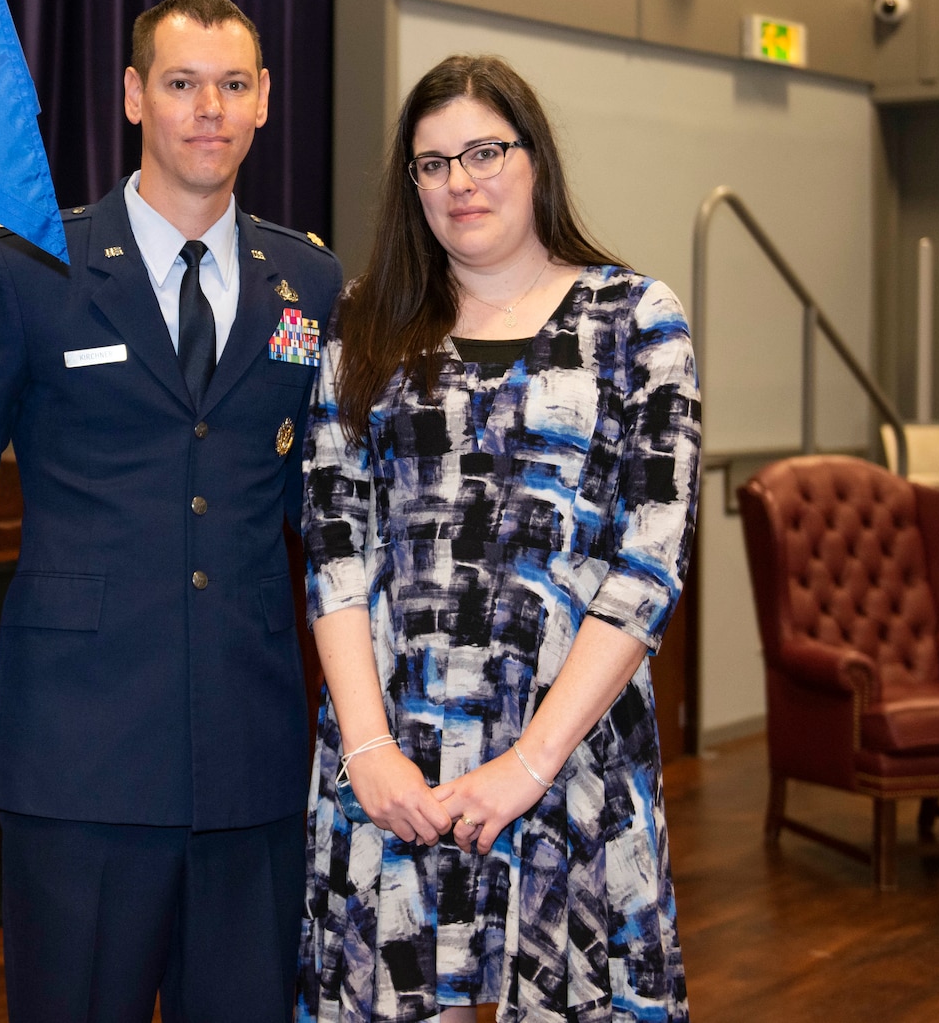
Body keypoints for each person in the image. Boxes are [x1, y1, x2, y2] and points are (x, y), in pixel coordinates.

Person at [0, 0, 343, 1022]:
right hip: (79, 757)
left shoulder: (309, 285)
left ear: (264, 100)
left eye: (231, 86)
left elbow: (327, 507)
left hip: (248, 754)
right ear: (135, 96)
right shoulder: (33, 264)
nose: (207, 110)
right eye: (181, 84)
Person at [298, 55, 696, 1023]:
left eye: (483, 151)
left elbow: (643, 572)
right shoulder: (365, 325)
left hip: (571, 767)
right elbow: (333, 553)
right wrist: (367, 753)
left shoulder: (635, 323)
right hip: (393, 770)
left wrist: (526, 767)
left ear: (533, 159)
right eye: (430, 164)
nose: (458, 182)